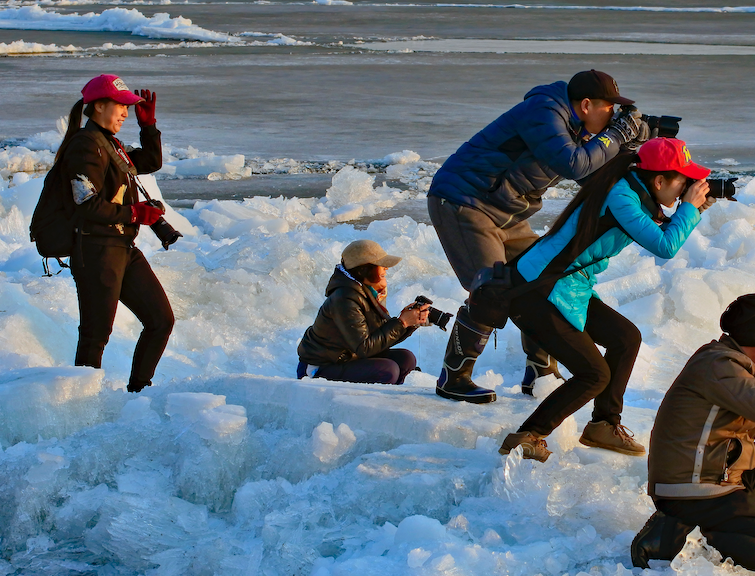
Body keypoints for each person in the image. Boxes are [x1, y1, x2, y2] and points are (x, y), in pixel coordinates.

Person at [427, 69, 649, 403]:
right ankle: (453, 376)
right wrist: (613, 137)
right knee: (494, 287)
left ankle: (540, 372)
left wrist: (628, 149)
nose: (613, 117)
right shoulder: (544, 113)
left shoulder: (576, 127)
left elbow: (591, 176)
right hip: (464, 201)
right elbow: (574, 164)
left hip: (505, 212)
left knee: (545, 277)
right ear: (586, 105)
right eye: (609, 109)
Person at [497, 137, 712, 461]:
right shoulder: (622, 196)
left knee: (626, 338)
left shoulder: (633, 192)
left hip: (569, 286)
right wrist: (688, 210)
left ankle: (603, 425)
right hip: (539, 290)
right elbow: (664, 246)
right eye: (683, 180)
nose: (687, 187)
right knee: (594, 374)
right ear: (659, 180)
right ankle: (528, 435)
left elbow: (658, 227)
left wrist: (690, 210)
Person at [631, 293, 755, 575]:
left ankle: (712, 531)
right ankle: (693, 534)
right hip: (693, 489)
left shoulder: (730, 364)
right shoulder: (720, 366)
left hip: (712, 479)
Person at [57, 74, 174, 392]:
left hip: (122, 246)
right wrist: (135, 212)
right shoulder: (84, 146)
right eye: (120, 105)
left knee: (160, 320)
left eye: (128, 106)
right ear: (98, 107)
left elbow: (149, 162)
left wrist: (148, 127)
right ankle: (80, 407)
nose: (125, 111)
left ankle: (138, 393)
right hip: (95, 249)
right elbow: (86, 203)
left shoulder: (111, 146)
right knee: (95, 336)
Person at [296, 240, 431, 384]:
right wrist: (402, 322)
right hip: (321, 367)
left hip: (350, 356)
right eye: (381, 264)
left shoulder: (366, 292)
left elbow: (379, 340)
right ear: (364, 269)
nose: (386, 268)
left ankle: (389, 396)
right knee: (388, 370)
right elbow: (364, 348)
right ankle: (368, 404)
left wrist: (410, 322)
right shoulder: (344, 298)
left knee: (406, 359)